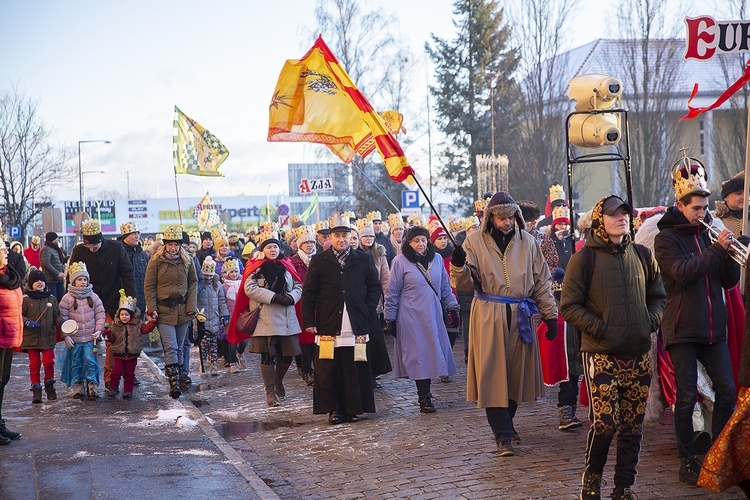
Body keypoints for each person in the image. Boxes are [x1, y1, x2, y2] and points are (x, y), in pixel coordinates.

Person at [561, 195, 666, 500]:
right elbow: (569, 306)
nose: (621, 218)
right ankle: (591, 481)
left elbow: (658, 296)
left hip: (638, 354)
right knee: (605, 424)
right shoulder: (584, 259)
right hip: (602, 355)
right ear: (599, 220)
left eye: (624, 214)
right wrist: (600, 328)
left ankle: (624, 487)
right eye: (614, 214)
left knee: (633, 427)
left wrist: (650, 321)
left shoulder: (643, 255)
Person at [450, 191, 557, 457]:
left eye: (510, 217)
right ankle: (502, 435)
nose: (506, 222)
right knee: (492, 375)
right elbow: (463, 283)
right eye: (501, 217)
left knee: (515, 375)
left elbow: (542, 281)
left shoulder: (529, 242)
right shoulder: (473, 242)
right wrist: (458, 265)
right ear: (490, 218)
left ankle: (508, 423)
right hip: (488, 313)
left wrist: (550, 314)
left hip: (520, 313)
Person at [654, 157, 740, 486]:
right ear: (680, 204)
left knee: (727, 393)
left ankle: (717, 454)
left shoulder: (708, 235)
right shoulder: (666, 238)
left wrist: (731, 254)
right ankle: (687, 459)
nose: (702, 214)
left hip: (713, 328)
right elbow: (683, 273)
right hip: (682, 328)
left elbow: (727, 282)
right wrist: (717, 251)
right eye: (696, 208)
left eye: (705, 208)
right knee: (686, 397)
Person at [301, 215, 380, 424]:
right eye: (337, 235)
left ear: (350, 236)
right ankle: (333, 409)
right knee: (329, 368)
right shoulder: (319, 260)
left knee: (357, 365)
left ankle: (354, 408)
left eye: (345, 235)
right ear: (331, 237)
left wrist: (367, 308)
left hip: (357, 323)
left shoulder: (363, 259)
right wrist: (309, 320)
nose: (341, 239)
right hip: (328, 323)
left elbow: (374, 287)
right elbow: (309, 293)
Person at [384, 225, 459, 413]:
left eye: (423, 240)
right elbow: (392, 292)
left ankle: (427, 391)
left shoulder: (438, 259)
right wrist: (390, 318)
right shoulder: (400, 262)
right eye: (416, 240)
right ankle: (424, 396)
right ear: (409, 243)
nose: (420, 244)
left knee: (433, 353)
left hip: (433, 315)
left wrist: (452, 306)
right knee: (419, 356)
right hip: (411, 315)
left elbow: (444, 287)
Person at [227, 229, 302, 407]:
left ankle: (278, 381)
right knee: (267, 356)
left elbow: (299, 284)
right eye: (269, 247)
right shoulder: (255, 267)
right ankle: (270, 392)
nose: (273, 250)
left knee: (288, 355)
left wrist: (291, 297)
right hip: (265, 317)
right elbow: (250, 288)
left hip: (286, 316)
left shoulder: (287, 265)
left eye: (275, 246)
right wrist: (273, 297)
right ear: (263, 250)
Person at [69, 219, 136, 395]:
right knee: (85, 342)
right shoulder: (78, 252)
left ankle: (109, 380)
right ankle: (84, 380)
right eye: (89, 245)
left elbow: (127, 273)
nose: (92, 248)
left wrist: (130, 300)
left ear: (101, 239)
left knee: (111, 341)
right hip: (85, 303)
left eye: (95, 245)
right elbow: (72, 278)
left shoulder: (116, 248)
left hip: (111, 301)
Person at [144, 225, 198, 399]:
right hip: (164, 310)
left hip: (182, 310)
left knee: (181, 346)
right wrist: (152, 308)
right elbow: (149, 286)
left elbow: (193, 283)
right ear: (164, 244)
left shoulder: (187, 260)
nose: (173, 248)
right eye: (170, 244)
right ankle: (173, 383)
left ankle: (181, 375)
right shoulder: (156, 261)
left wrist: (191, 306)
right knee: (171, 346)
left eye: (176, 244)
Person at [59, 261, 106, 400]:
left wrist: (99, 330)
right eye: (79, 279)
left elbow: (100, 314)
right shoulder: (67, 299)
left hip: (90, 339)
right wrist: (66, 336)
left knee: (91, 362)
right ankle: (78, 386)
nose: (83, 282)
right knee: (76, 362)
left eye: (85, 279)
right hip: (75, 339)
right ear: (74, 281)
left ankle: (92, 386)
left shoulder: (93, 297)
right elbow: (63, 319)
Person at [356, 220, 393, 387]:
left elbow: (385, 278)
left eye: (371, 236)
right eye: (365, 236)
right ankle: (363, 373)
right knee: (361, 339)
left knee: (376, 339)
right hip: (358, 302)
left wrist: (388, 299)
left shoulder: (379, 253)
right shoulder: (354, 253)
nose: (369, 239)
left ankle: (374, 371)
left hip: (375, 303)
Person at [21, 269, 63, 404]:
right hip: (31, 338)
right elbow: (19, 315)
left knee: (49, 362)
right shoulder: (25, 299)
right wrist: (27, 321)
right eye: (36, 281)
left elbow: (56, 315)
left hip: (47, 337)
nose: (40, 283)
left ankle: (49, 386)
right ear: (31, 283)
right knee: (34, 364)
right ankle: (36, 390)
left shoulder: (51, 298)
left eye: (42, 281)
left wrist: (61, 322)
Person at [106, 292, 155, 398]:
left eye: (127, 315)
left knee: (129, 374)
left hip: (132, 353)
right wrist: (108, 335)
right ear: (119, 315)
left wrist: (153, 322)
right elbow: (113, 338)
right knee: (116, 372)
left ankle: (128, 391)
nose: (124, 317)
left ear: (131, 315)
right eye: (122, 315)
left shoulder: (137, 325)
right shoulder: (115, 325)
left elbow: (146, 329)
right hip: (119, 353)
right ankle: (113, 388)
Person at [0, 239, 24, 444]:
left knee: (2, 380)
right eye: (2, 249)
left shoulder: (9, 275)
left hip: (8, 335)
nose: (6, 251)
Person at [290, 225, 317, 385]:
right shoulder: (293, 262)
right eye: (306, 243)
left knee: (317, 337)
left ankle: (316, 366)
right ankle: (306, 369)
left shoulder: (320, 259)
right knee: (304, 338)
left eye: (312, 243)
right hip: (300, 304)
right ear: (299, 245)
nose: (309, 246)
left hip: (318, 303)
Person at [197, 256, 230, 375]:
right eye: (206, 275)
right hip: (203, 317)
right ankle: (203, 363)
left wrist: (224, 315)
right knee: (204, 343)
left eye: (211, 275)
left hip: (215, 317)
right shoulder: (199, 285)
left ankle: (214, 364)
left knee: (214, 344)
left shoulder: (218, 285)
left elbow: (221, 300)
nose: (209, 278)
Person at [118, 222, 150, 320]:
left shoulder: (142, 255)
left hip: (141, 302)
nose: (137, 236)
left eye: (138, 233)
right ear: (125, 236)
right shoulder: (117, 252)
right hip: (122, 303)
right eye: (133, 234)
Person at [39, 231, 66, 301]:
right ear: (54, 239)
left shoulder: (55, 249)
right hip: (51, 280)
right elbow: (45, 264)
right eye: (57, 239)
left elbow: (60, 260)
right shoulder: (46, 249)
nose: (58, 240)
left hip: (58, 280)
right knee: (53, 300)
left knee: (61, 300)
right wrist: (57, 273)